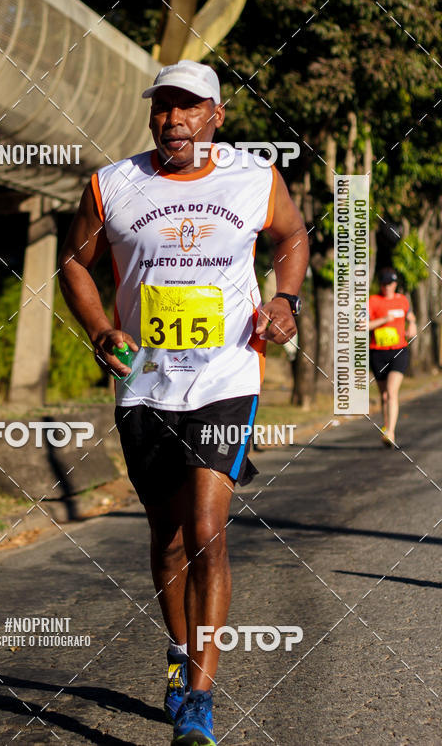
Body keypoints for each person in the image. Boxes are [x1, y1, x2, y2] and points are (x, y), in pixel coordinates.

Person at [58, 59, 309, 746]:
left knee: (206, 530)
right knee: (168, 541)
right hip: (145, 382)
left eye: (189, 106)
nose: (174, 118)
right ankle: (178, 650)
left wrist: (285, 299)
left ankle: (199, 694)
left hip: (228, 377)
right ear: (151, 116)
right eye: (163, 106)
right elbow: (74, 262)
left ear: (217, 116)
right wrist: (101, 327)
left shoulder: (255, 178)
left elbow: (291, 236)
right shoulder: (114, 185)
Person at [368, 267, 417, 447]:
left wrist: (412, 324)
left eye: (390, 283)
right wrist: (383, 320)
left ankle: (391, 432)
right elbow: (362, 325)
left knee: (392, 391)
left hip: (399, 351)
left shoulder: (403, 300)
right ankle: (387, 427)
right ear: (380, 285)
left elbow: (410, 316)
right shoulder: (373, 301)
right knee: (384, 396)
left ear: (395, 284)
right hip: (378, 352)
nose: (387, 287)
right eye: (384, 283)